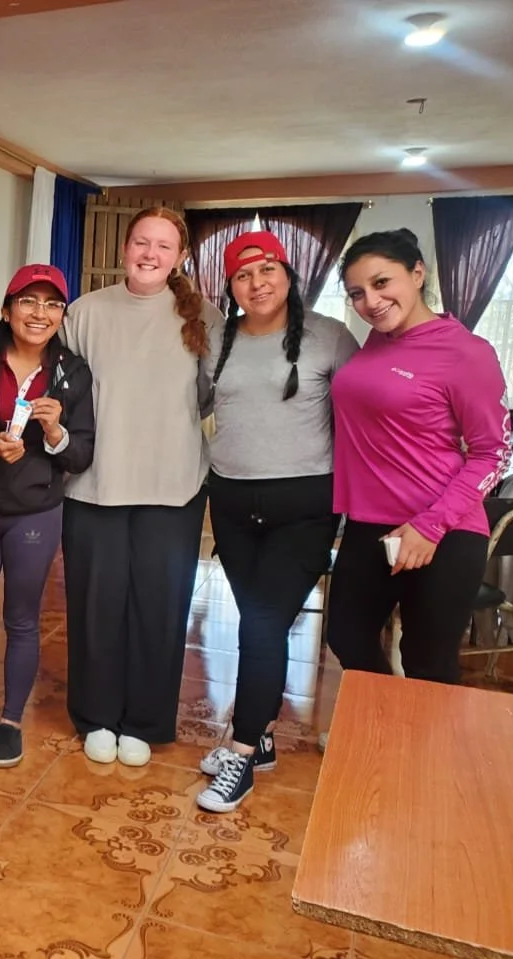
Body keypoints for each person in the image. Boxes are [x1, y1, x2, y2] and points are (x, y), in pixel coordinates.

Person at [195, 231, 358, 813]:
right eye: (243, 275)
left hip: (305, 505)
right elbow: (198, 404)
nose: (257, 283)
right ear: (231, 286)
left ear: (289, 275)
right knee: (259, 621)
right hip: (233, 501)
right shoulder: (218, 338)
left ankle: (241, 750)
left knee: (262, 625)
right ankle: (261, 737)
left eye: (267, 270)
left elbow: (364, 416)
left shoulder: (330, 337)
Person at [60, 206, 221, 767]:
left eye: (163, 246)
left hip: (173, 488)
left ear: (180, 257)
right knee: (95, 608)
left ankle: (146, 721)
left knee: (160, 608)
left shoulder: (204, 315)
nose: (150, 254)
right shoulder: (85, 312)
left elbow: (213, 396)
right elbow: (62, 393)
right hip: (94, 486)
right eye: (141, 242)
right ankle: (96, 715)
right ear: (125, 247)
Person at [327, 228, 510, 683]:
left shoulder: (466, 352)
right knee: (347, 638)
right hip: (367, 524)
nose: (371, 301)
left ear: (417, 273)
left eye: (381, 282)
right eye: (357, 293)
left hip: (442, 530)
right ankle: (389, 723)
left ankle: (420, 732)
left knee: (428, 664)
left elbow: (493, 453)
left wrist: (431, 526)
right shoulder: (377, 341)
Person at [0, 264, 95, 768]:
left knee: (22, 620)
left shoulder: (73, 372)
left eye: (52, 304)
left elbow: (81, 454)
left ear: (62, 316)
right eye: (28, 301)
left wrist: (55, 434)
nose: (39, 313)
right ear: (7, 310)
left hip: (35, 512)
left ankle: (10, 722)